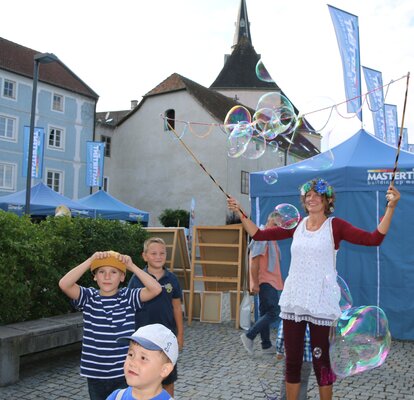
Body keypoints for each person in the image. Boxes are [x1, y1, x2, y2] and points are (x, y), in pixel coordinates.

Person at [227, 178, 400, 400]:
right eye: (308, 195)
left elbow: (373, 238)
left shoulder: (335, 226)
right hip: (295, 298)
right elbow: (260, 235)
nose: (312, 198)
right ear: (304, 200)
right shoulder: (297, 225)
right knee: (292, 360)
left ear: (327, 200)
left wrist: (391, 206)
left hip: (321, 301)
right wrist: (241, 212)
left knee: (322, 361)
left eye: (317, 195)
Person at [59, 250, 162, 400]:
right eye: (101, 272)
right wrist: (90, 261)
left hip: (124, 372)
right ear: (94, 276)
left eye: (114, 272)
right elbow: (64, 284)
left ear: (122, 277)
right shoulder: (88, 298)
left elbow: (156, 289)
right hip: (95, 374)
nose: (107, 277)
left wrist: (132, 266)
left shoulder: (128, 297)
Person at [128, 238, 183, 397]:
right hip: (142, 338)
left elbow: (177, 308)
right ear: (144, 256)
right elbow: (129, 306)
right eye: (153, 253)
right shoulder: (137, 279)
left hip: (166, 338)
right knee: (142, 376)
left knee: (167, 378)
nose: (158, 256)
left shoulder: (172, 279)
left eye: (162, 253)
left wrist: (180, 335)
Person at [241, 212, 284, 356]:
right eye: (274, 224)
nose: (276, 228)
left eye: (279, 226)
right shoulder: (262, 236)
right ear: (268, 222)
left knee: (266, 313)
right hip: (266, 281)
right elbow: (254, 261)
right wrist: (255, 283)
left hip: (270, 281)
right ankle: (249, 336)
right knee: (274, 312)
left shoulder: (270, 238)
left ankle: (266, 345)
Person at [106, 323, 178, 400]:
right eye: (131, 354)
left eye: (143, 358)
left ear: (164, 370)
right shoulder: (116, 397)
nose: (132, 363)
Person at [276, 320, 312, 400]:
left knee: (286, 380)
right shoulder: (311, 321)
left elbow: (281, 337)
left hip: (291, 358)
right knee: (303, 382)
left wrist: (279, 352)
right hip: (307, 360)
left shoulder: (287, 318)